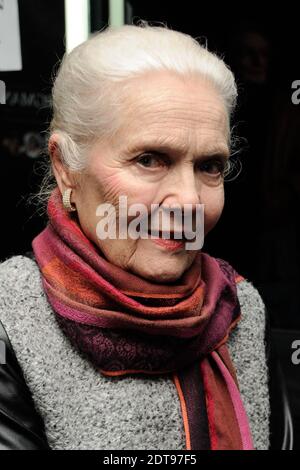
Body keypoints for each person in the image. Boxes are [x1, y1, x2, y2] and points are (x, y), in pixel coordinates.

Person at [0, 21, 270, 450]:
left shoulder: (242, 310)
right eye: (149, 159)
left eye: (210, 166)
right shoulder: (10, 318)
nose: (187, 200)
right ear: (66, 169)